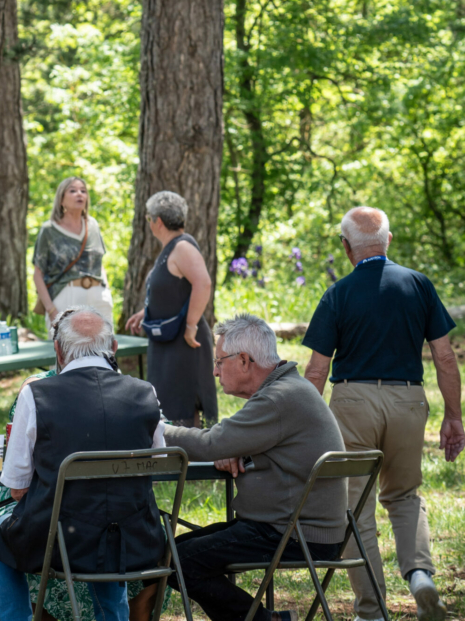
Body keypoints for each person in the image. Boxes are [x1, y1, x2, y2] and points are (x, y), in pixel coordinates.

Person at [303, 206, 464, 621]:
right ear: (388, 240)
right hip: (409, 400)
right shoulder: (419, 285)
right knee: (405, 495)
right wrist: (454, 416)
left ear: (345, 247)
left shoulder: (337, 294)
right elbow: (444, 358)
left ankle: (372, 610)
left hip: (353, 402)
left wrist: (300, 426)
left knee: (356, 507)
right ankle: (421, 577)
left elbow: (318, 369)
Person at [0, 307, 167, 621]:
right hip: (137, 540)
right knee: (110, 532)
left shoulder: (36, 395)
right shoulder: (144, 393)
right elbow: (159, 468)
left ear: (58, 351)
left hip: (59, 540)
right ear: (114, 348)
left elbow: (16, 488)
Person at [161, 313, 347, 621]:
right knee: (174, 553)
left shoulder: (277, 399)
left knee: (178, 560)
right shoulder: (288, 389)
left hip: (294, 534)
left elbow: (210, 444)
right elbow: (228, 443)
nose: (215, 371)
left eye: (220, 362)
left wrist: (154, 429)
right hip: (294, 527)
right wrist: (236, 448)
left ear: (245, 360)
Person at [126, 191, 218, 427]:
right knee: (170, 407)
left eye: (148, 220)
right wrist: (145, 313)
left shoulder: (183, 247)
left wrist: (191, 325)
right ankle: (179, 458)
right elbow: (172, 291)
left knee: (182, 407)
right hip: (168, 342)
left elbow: (203, 283)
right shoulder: (171, 248)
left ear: (157, 221)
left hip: (184, 343)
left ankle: (193, 459)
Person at [32, 177, 113, 333]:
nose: (79, 194)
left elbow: (99, 263)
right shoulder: (49, 230)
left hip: (98, 295)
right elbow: (38, 274)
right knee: (68, 352)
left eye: (83, 191)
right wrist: (51, 309)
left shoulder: (93, 225)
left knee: (105, 350)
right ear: (61, 199)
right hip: (66, 296)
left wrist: (106, 291)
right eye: (73, 190)